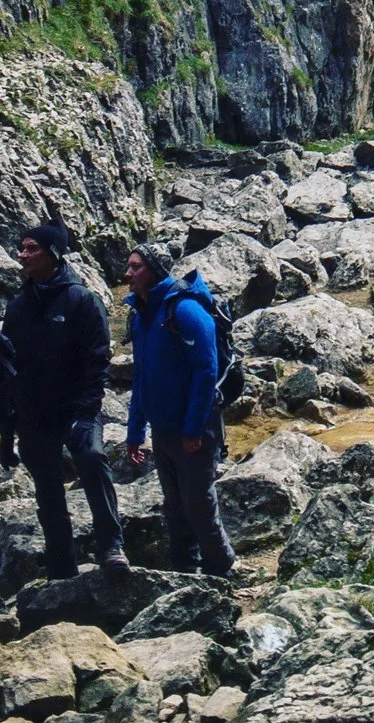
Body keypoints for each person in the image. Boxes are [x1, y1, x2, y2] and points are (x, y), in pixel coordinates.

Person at [0, 220, 123, 575]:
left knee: (92, 459)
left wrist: (86, 412)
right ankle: (61, 566)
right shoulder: (18, 306)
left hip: (76, 408)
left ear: (53, 253)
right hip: (34, 414)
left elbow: (97, 359)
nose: (22, 255)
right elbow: (8, 368)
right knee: (47, 489)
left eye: (31, 249)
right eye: (22, 248)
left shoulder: (82, 301)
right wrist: (6, 431)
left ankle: (112, 546)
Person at [122, 242, 234, 579]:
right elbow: (140, 376)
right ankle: (184, 569)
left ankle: (221, 567)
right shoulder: (141, 315)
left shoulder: (184, 310)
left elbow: (206, 371)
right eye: (129, 266)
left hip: (195, 427)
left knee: (198, 503)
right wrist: (135, 432)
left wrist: (193, 428)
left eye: (136, 267)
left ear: (155, 270)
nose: (128, 274)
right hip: (162, 427)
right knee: (174, 505)